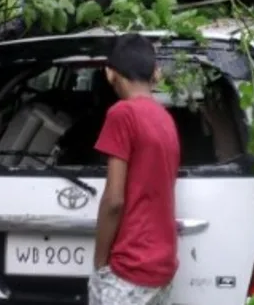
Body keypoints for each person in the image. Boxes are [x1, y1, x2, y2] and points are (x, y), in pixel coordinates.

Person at [90, 33, 180, 305]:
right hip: (162, 266)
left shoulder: (122, 114)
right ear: (155, 73)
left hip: (129, 267)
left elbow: (114, 200)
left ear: (110, 73)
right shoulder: (165, 119)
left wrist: (99, 264)